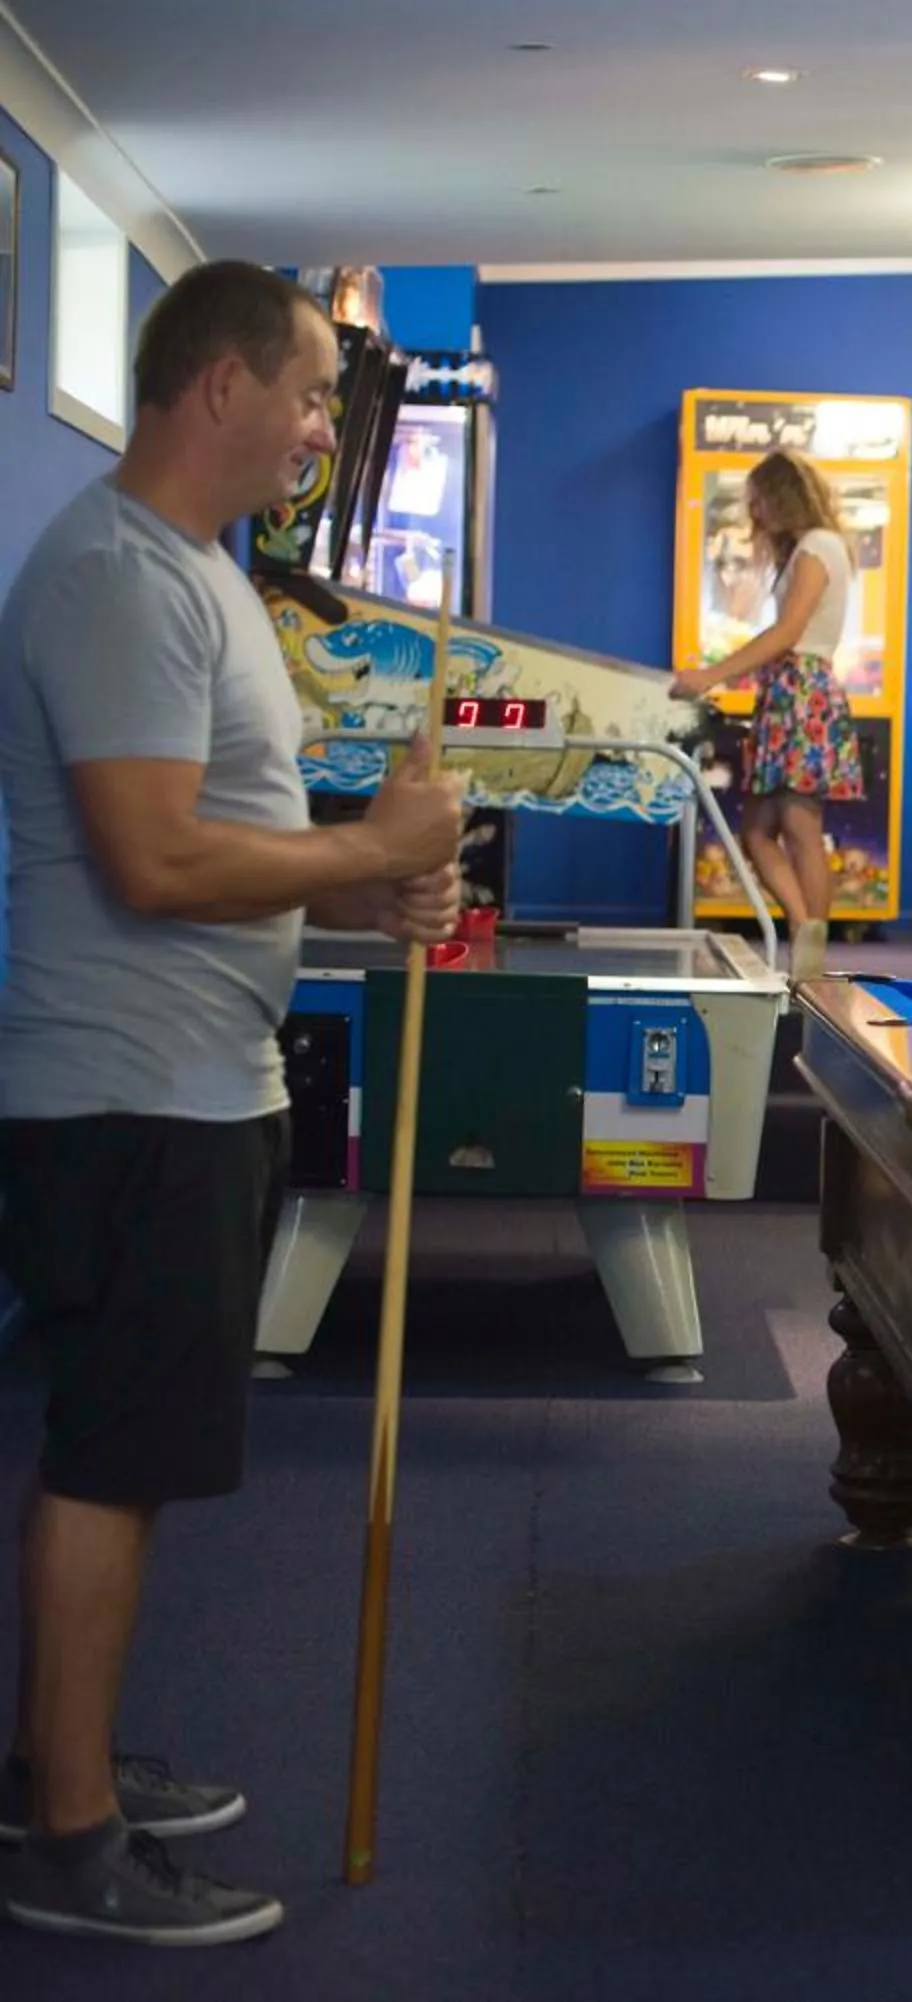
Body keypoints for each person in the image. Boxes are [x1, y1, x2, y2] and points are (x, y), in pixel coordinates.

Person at [0, 260, 467, 1944]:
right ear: (219, 386)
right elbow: (147, 855)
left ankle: (58, 1763)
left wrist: (365, 893)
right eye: (311, 394)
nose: (321, 430)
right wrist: (370, 849)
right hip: (128, 1092)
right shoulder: (116, 575)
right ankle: (64, 1840)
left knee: (116, 1458)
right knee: (109, 1462)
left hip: (193, 1079)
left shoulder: (198, 576)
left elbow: (235, 851)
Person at [672, 450, 863, 979]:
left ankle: (810, 954)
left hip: (800, 687)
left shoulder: (816, 546)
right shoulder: (813, 547)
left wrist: (712, 674)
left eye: (758, 503)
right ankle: (805, 933)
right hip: (790, 689)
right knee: (758, 829)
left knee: (799, 824)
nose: (754, 517)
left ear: (781, 497)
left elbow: (788, 631)